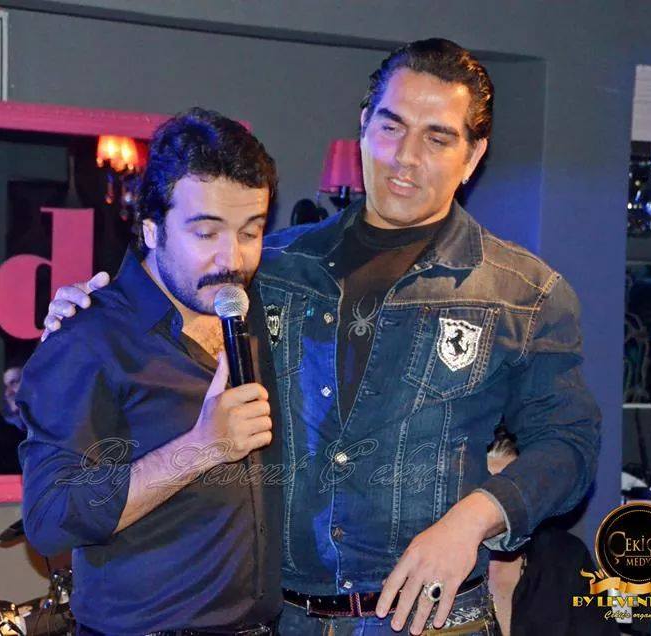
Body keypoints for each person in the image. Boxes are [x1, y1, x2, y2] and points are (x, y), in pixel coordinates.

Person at [45, 38, 601, 636]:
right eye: (391, 127)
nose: (405, 157)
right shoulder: (272, 266)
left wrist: (472, 520)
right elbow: (168, 294)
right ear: (364, 126)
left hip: (433, 621)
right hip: (284, 621)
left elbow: (569, 446)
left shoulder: (524, 293)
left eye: (437, 138)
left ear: (472, 156)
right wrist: (91, 310)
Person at [18, 108, 283, 635]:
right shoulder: (87, 338)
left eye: (250, 232)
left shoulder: (264, 312)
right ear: (151, 230)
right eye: (205, 233)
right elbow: (48, 518)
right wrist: (202, 447)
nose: (231, 258)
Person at [486, 427, 617, 636]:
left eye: (509, 493)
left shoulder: (565, 557)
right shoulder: (444, 564)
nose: (499, 507)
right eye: (488, 493)